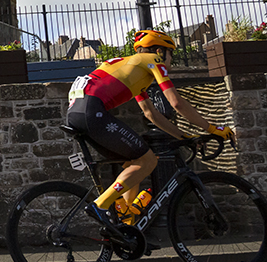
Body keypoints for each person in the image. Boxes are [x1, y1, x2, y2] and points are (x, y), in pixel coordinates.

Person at [66, 30, 233, 226]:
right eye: (171, 53)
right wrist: (211, 127)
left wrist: (184, 136)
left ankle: (125, 225)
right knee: (148, 160)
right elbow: (175, 102)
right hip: (91, 111)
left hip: (76, 113)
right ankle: (100, 205)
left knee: (133, 163)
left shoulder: (133, 69)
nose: (171, 59)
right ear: (160, 51)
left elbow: (151, 114)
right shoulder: (152, 59)